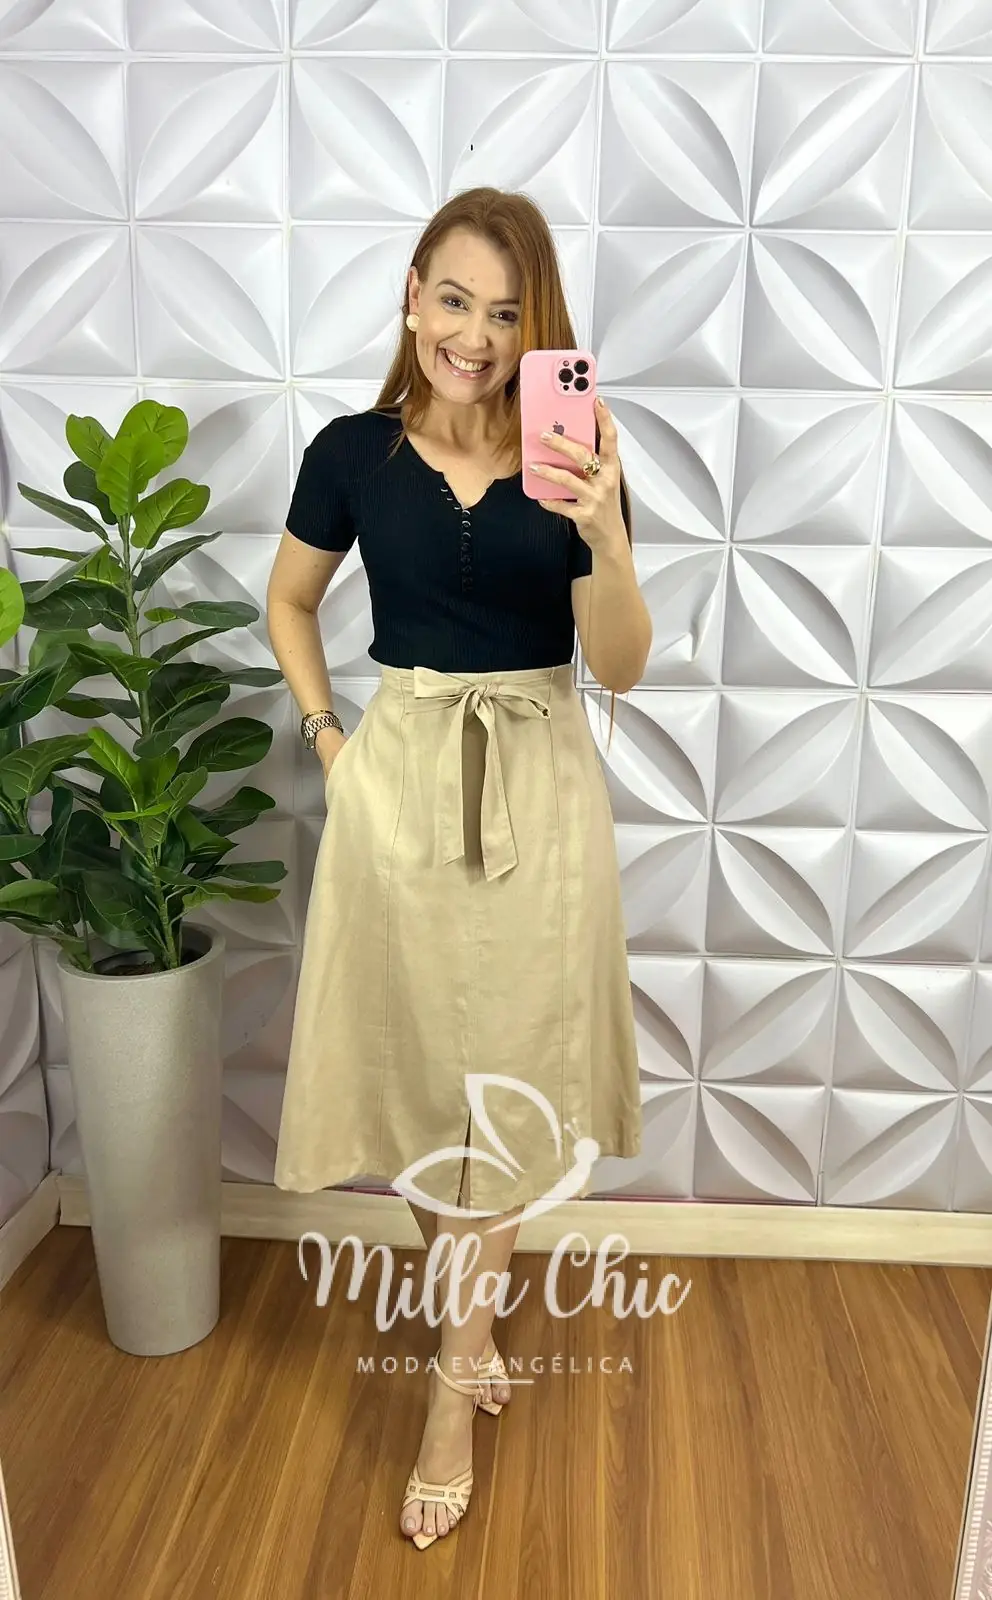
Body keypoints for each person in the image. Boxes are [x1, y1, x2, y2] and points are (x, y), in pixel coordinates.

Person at [265, 186, 652, 1552]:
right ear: (411, 295)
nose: (476, 337)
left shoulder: (580, 454)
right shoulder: (351, 453)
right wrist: (331, 741)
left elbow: (619, 667)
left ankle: (449, 1388)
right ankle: (469, 1333)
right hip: (402, 780)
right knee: (432, 1075)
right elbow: (290, 599)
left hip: (540, 781)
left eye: (505, 312)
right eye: (453, 301)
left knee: (514, 1083)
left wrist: (606, 535)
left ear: (537, 325)